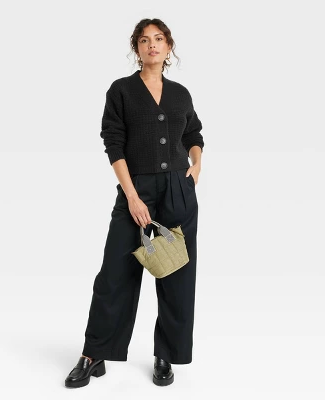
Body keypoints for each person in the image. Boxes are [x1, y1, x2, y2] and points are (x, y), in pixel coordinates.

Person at [65, 17, 204, 388]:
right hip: (135, 189)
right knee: (114, 275)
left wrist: (196, 166)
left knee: (176, 276)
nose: (152, 45)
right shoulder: (122, 90)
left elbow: (194, 133)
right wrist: (131, 196)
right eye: (144, 40)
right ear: (137, 48)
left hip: (178, 191)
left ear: (168, 46)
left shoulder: (180, 93)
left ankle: (166, 354)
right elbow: (113, 142)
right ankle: (94, 354)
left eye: (158, 39)